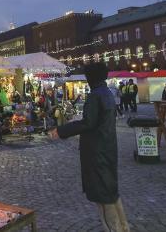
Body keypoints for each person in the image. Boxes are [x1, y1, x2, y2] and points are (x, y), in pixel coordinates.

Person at [49, 63, 129, 232]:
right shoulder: (107, 93)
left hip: (96, 150)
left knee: (102, 193)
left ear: (91, 77)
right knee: (110, 190)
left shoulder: (95, 96)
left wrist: (61, 130)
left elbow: (88, 123)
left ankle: (113, 228)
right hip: (107, 147)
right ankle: (123, 227)